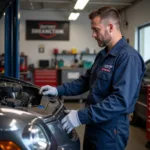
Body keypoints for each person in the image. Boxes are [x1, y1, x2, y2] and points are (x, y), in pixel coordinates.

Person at [39, 6, 146, 150]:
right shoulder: (102, 55)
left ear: (110, 27)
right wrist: (57, 90)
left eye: (96, 30)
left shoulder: (128, 58)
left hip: (110, 131)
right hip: (93, 125)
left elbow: (120, 101)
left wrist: (80, 116)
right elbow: (84, 82)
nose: (93, 35)